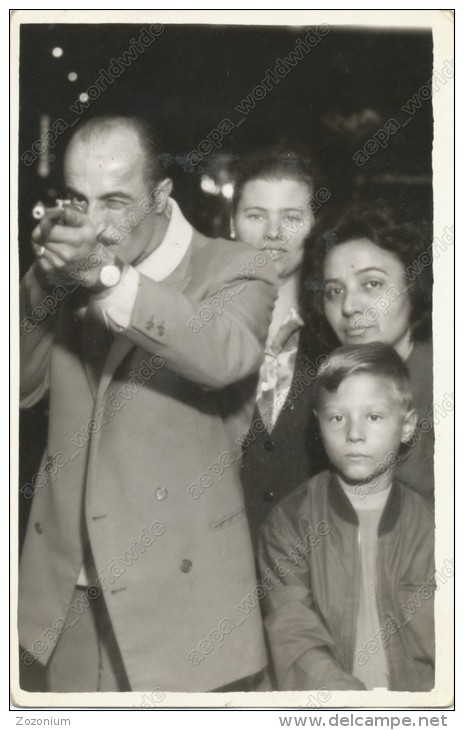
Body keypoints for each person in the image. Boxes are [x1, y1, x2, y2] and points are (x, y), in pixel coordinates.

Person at [18, 115, 278, 692]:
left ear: (162, 196)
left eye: (115, 201)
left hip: (178, 606)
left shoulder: (237, 267)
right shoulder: (65, 274)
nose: (96, 225)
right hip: (67, 597)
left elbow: (220, 354)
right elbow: (23, 388)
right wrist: (41, 278)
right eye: (78, 200)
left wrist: (106, 277)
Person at [259, 343, 435, 692]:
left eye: (374, 416)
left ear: (407, 426)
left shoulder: (434, 525)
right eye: (337, 417)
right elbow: (293, 638)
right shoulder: (290, 523)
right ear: (318, 425)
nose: (354, 434)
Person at [302, 206, 434, 499]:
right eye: (334, 291)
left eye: (372, 284)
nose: (349, 307)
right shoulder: (326, 387)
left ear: (413, 286)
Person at [231, 151, 325, 546]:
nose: (273, 232)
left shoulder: (336, 335)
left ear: (315, 227)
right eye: (256, 215)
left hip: (309, 563)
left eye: (291, 218)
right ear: (233, 225)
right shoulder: (199, 326)